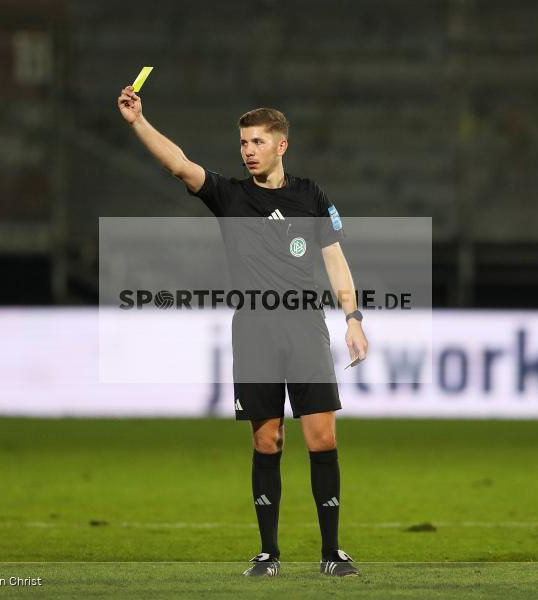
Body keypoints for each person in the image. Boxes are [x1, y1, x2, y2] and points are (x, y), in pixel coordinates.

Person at [118, 85, 367, 577]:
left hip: (305, 328)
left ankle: (331, 553)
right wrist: (138, 122)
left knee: (322, 438)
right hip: (254, 332)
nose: (248, 151)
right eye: (243, 143)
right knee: (267, 441)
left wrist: (353, 318)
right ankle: (269, 553)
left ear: (281, 145)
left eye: (257, 142)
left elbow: (335, 259)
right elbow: (179, 164)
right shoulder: (230, 196)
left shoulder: (310, 195)